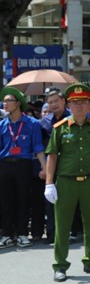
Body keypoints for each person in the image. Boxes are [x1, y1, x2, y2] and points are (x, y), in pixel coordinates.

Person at [43, 84, 90, 282]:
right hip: (66, 182)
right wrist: (49, 183)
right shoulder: (60, 128)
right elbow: (52, 156)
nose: (79, 107)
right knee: (62, 226)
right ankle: (60, 265)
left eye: (83, 102)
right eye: (75, 103)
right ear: (68, 105)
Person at [0, 86, 47, 248]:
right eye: (4, 101)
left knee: (23, 199)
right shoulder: (2, 125)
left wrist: (44, 167)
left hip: (24, 165)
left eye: (8, 101)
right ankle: (7, 234)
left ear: (18, 103)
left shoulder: (32, 123)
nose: (5, 104)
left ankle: (21, 234)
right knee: (5, 200)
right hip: (5, 165)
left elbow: (38, 147)